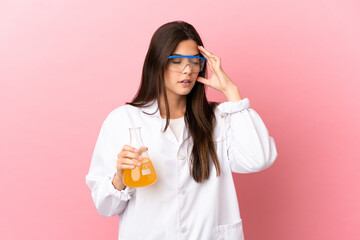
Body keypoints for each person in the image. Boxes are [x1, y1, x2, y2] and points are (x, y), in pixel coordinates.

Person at [85, 20, 278, 240]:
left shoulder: (218, 118)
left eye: (195, 62)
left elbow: (259, 159)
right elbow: (105, 207)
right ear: (156, 64)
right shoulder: (122, 120)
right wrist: (119, 178)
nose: (187, 70)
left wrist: (232, 92)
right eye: (176, 61)